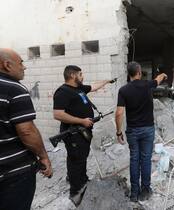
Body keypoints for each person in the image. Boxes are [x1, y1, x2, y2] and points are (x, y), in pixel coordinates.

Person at [0, 48, 52, 210]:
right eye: (21, 62)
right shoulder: (14, 89)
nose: (24, 67)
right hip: (13, 174)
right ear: (7, 65)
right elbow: (27, 131)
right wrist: (43, 156)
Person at [53, 65, 111, 206]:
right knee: (76, 160)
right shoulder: (62, 92)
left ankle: (82, 180)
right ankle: (76, 192)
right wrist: (82, 121)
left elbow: (94, 86)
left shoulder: (79, 89)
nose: (82, 76)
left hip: (82, 133)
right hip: (74, 133)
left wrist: (107, 81)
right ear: (73, 75)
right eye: (80, 74)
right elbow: (58, 114)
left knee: (80, 157)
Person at [115, 61, 167, 202]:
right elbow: (158, 79)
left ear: (129, 74)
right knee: (145, 160)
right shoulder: (147, 85)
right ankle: (145, 190)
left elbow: (119, 113)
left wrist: (119, 132)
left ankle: (134, 194)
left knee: (134, 160)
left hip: (132, 131)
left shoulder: (123, 90)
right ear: (139, 73)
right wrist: (162, 74)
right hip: (147, 129)